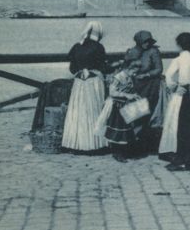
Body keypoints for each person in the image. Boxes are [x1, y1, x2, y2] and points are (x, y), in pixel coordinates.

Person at [159, 33, 190, 171]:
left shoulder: (178, 60)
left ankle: (180, 159)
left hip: (181, 95)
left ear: (179, 45)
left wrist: (174, 86)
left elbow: (168, 76)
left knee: (178, 126)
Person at [62, 21, 108, 153]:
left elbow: (72, 68)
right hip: (93, 83)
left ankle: (76, 143)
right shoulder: (98, 47)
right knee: (94, 111)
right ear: (98, 33)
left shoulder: (77, 46)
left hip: (79, 84)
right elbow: (103, 67)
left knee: (77, 113)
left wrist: (82, 70)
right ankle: (94, 144)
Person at [95, 49, 147, 162]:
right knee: (117, 129)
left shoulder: (129, 77)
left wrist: (135, 95)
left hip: (124, 106)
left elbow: (130, 89)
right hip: (116, 106)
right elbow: (112, 92)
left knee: (126, 129)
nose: (135, 74)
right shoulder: (119, 77)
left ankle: (124, 151)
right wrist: (126, 95)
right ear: (128, 68)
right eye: (134, 71)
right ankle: (117, 152)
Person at [131, 30, 163, 153]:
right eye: (144, 42)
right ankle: (136, 142)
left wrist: (147, 75)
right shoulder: (133, 51)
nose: (147, 44)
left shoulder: (154, 51)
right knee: (136, 114)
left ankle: (146, 144)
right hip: (136, 86)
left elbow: (159, 69)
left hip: (150, 86)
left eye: (148, 41)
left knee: (147, 113)